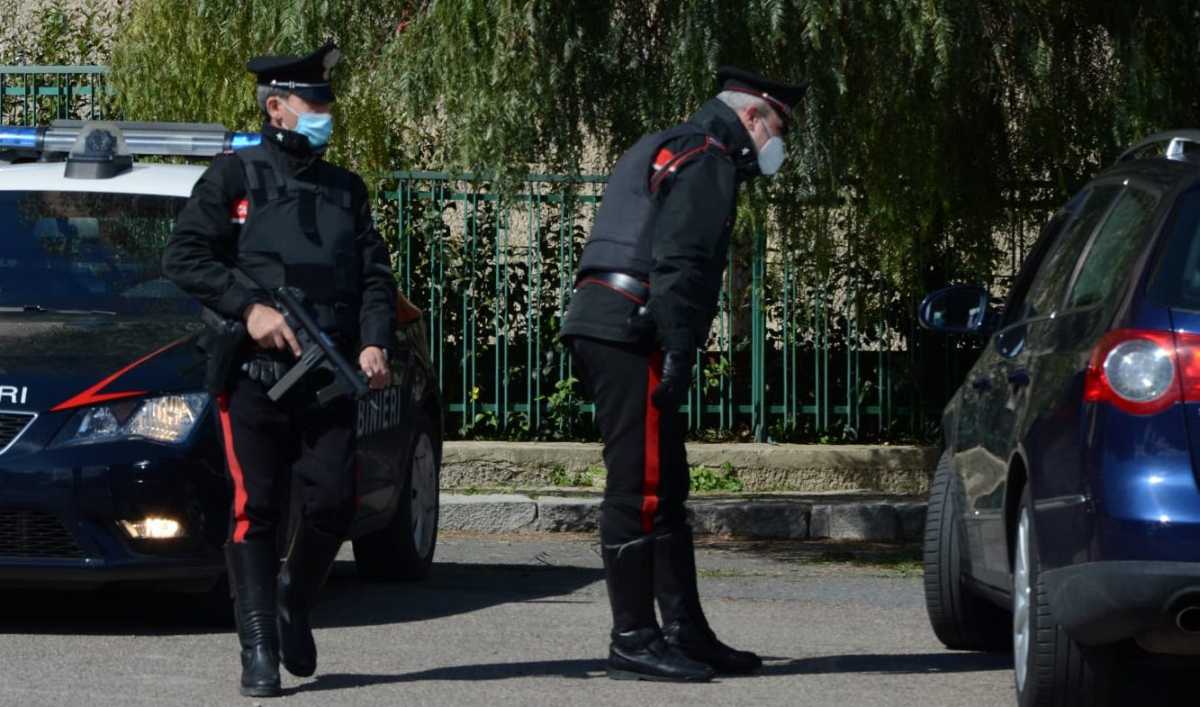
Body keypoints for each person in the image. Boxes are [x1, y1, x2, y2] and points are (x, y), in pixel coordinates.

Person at [162, 42, 396, 698]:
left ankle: (295, 596)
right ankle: (259, 645)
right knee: (255, 508)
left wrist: (376, 343)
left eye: (326, 101)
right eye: (313, 102)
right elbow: (183, 257)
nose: (325, 112)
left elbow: (375, 279)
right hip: (255, 375)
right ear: (277, 108)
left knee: (333, 504)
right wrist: (251, 307)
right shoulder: (234, 178)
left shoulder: (346, 190)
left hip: (329, 376)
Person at [561, 66, 807, 682]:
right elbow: (682, 260)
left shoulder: (668, 140)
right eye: (778, 126)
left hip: (608, 317)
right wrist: (676, 346)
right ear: (753, 116)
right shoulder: (710, 157)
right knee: (641, 485)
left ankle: (683, 630)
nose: (779, 143)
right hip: (633, 326)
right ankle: (634, 638)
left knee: (666, 485)